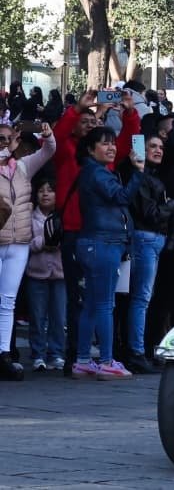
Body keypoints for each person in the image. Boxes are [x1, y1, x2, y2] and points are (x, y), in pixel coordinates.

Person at [72, 126, 146, 380]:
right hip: (104, 243)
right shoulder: (99, 174)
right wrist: (137, 172)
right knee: (105, 305)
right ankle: (105, 360)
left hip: (94, 242)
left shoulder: (93, 172)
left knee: (92, 304)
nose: (111, 147)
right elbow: (122, 196)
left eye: (113, 143)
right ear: (91, 150)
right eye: (104, 144)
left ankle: (83, 359)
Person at [0, 121, 56, 379]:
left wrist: (47, 136)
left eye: (7, 139)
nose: (4, 144)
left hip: (19, 242)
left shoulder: (21, 167)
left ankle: (3, 354)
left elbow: (48, 151)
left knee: (8, 301)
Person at [120, 134, 173, 373]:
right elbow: (150, 213)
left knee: (144, 297)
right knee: (141, 297)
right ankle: (136, 351)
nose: (158, 150)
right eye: (153, 146)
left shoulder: (154, 176)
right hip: (145, 237)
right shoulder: (140, 177)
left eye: (161, 147)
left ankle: (138, 349)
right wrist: (170, 206)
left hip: (153, 238)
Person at [26, 176, 65, 372]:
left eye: (50, 190)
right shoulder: (30, 218)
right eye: (41, 190)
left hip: (59, 274)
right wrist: (44, 241)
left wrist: (57, 241)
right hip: (37, 273)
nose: (46, 194)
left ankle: (56, 353)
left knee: (58, 316)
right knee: (37, 315)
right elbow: (27, 244)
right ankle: (37, 354)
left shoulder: (62, 216)